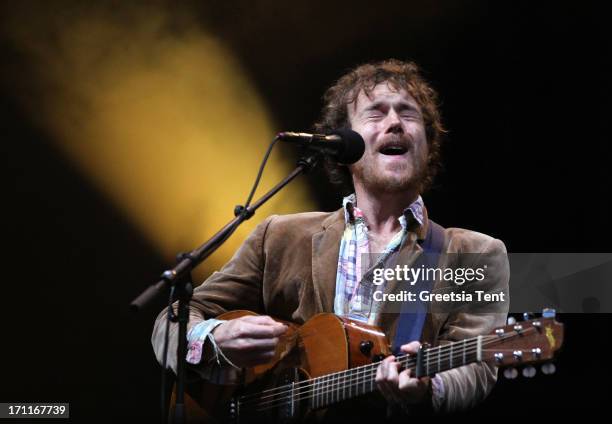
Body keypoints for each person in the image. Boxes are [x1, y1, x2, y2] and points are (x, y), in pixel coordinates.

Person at [151, 59, 510, 419]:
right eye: (376, 113)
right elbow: (173, 320)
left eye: (408, 114)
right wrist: (214, 340)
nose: (395, 123)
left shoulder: (474, 253)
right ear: (345, 146)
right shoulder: (278, 236)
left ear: (428, 145)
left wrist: (427, 387)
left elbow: (476, 366)